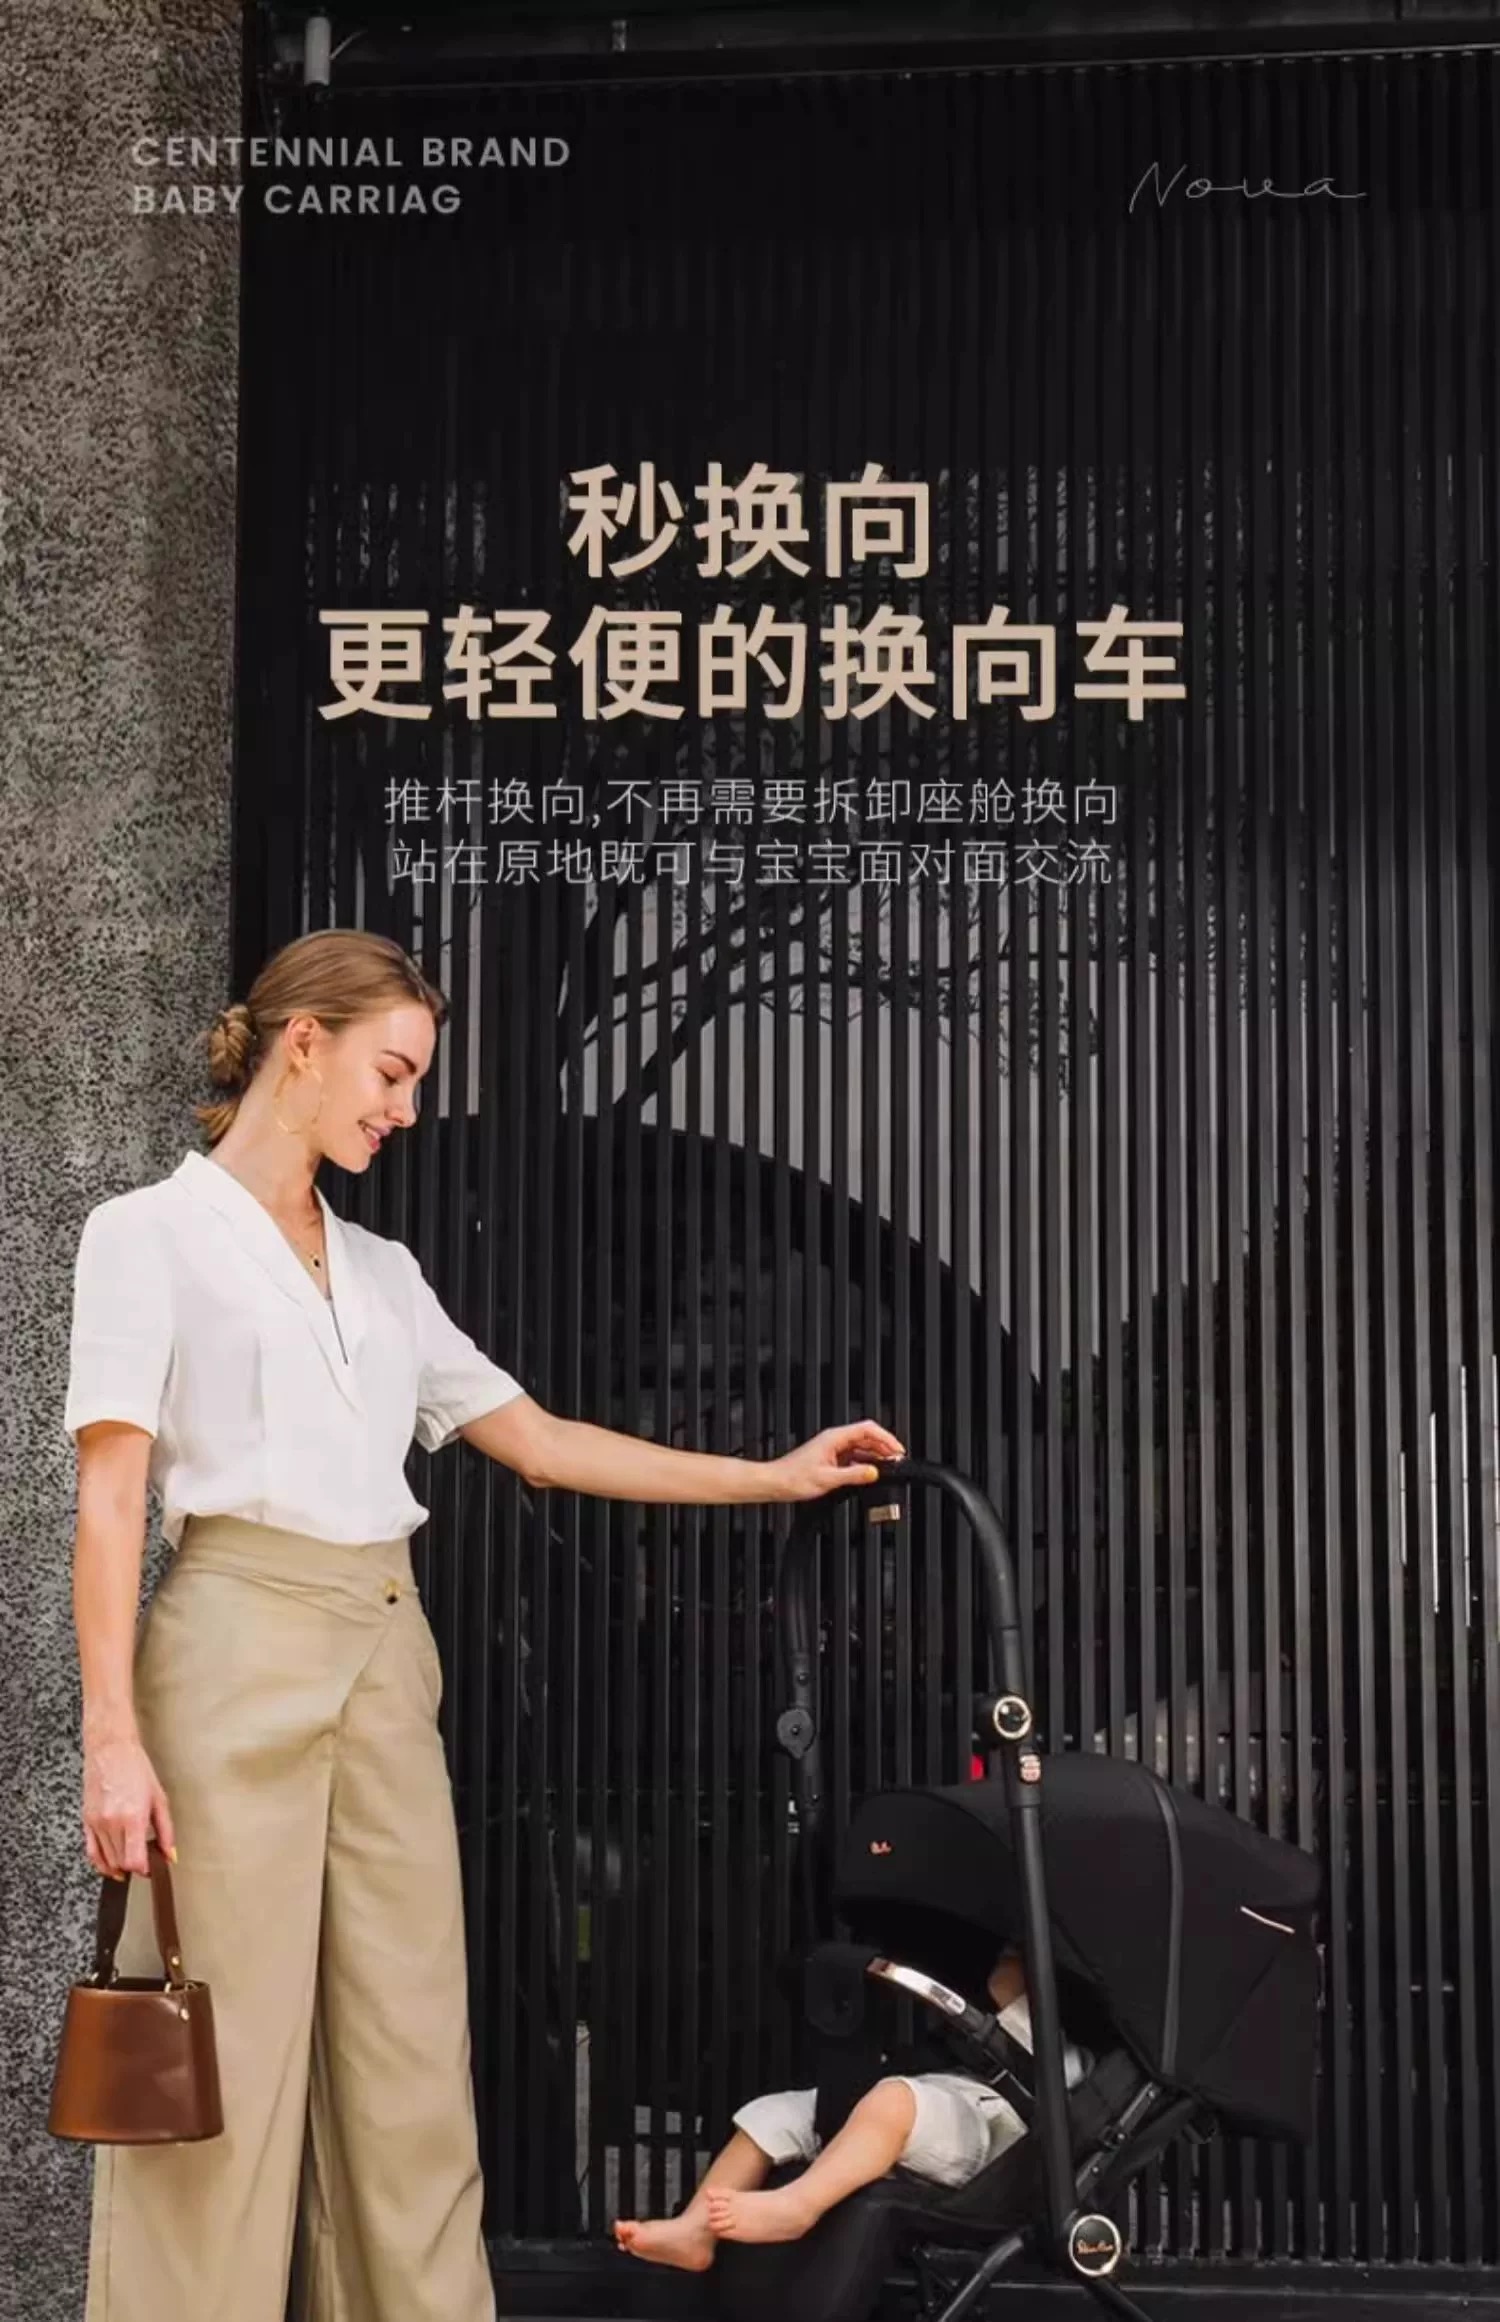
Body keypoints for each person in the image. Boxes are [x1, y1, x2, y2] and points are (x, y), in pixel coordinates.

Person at [66, 926, 905, 2322]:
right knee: (220, 2059)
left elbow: (547, 1443)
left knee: (408, 2060)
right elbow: (109, 1501)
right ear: (303, 1042)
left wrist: (775, 1475)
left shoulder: (383, 1271)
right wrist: (112, 1736)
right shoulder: (143, 1235)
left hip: (386, 1650)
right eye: (391, 1073)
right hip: (227, 1648)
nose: (404, 1109)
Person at [614, 1943, 1090, 2268]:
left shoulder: (1064, 2024)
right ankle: (695, 2230)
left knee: (893, 2101)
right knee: (779, 2112)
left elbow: (1007, 1995)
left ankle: (796, 2206)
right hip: (942, 2094)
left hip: (1000, 2128)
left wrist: (1020, 1960)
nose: (1003, 1959)